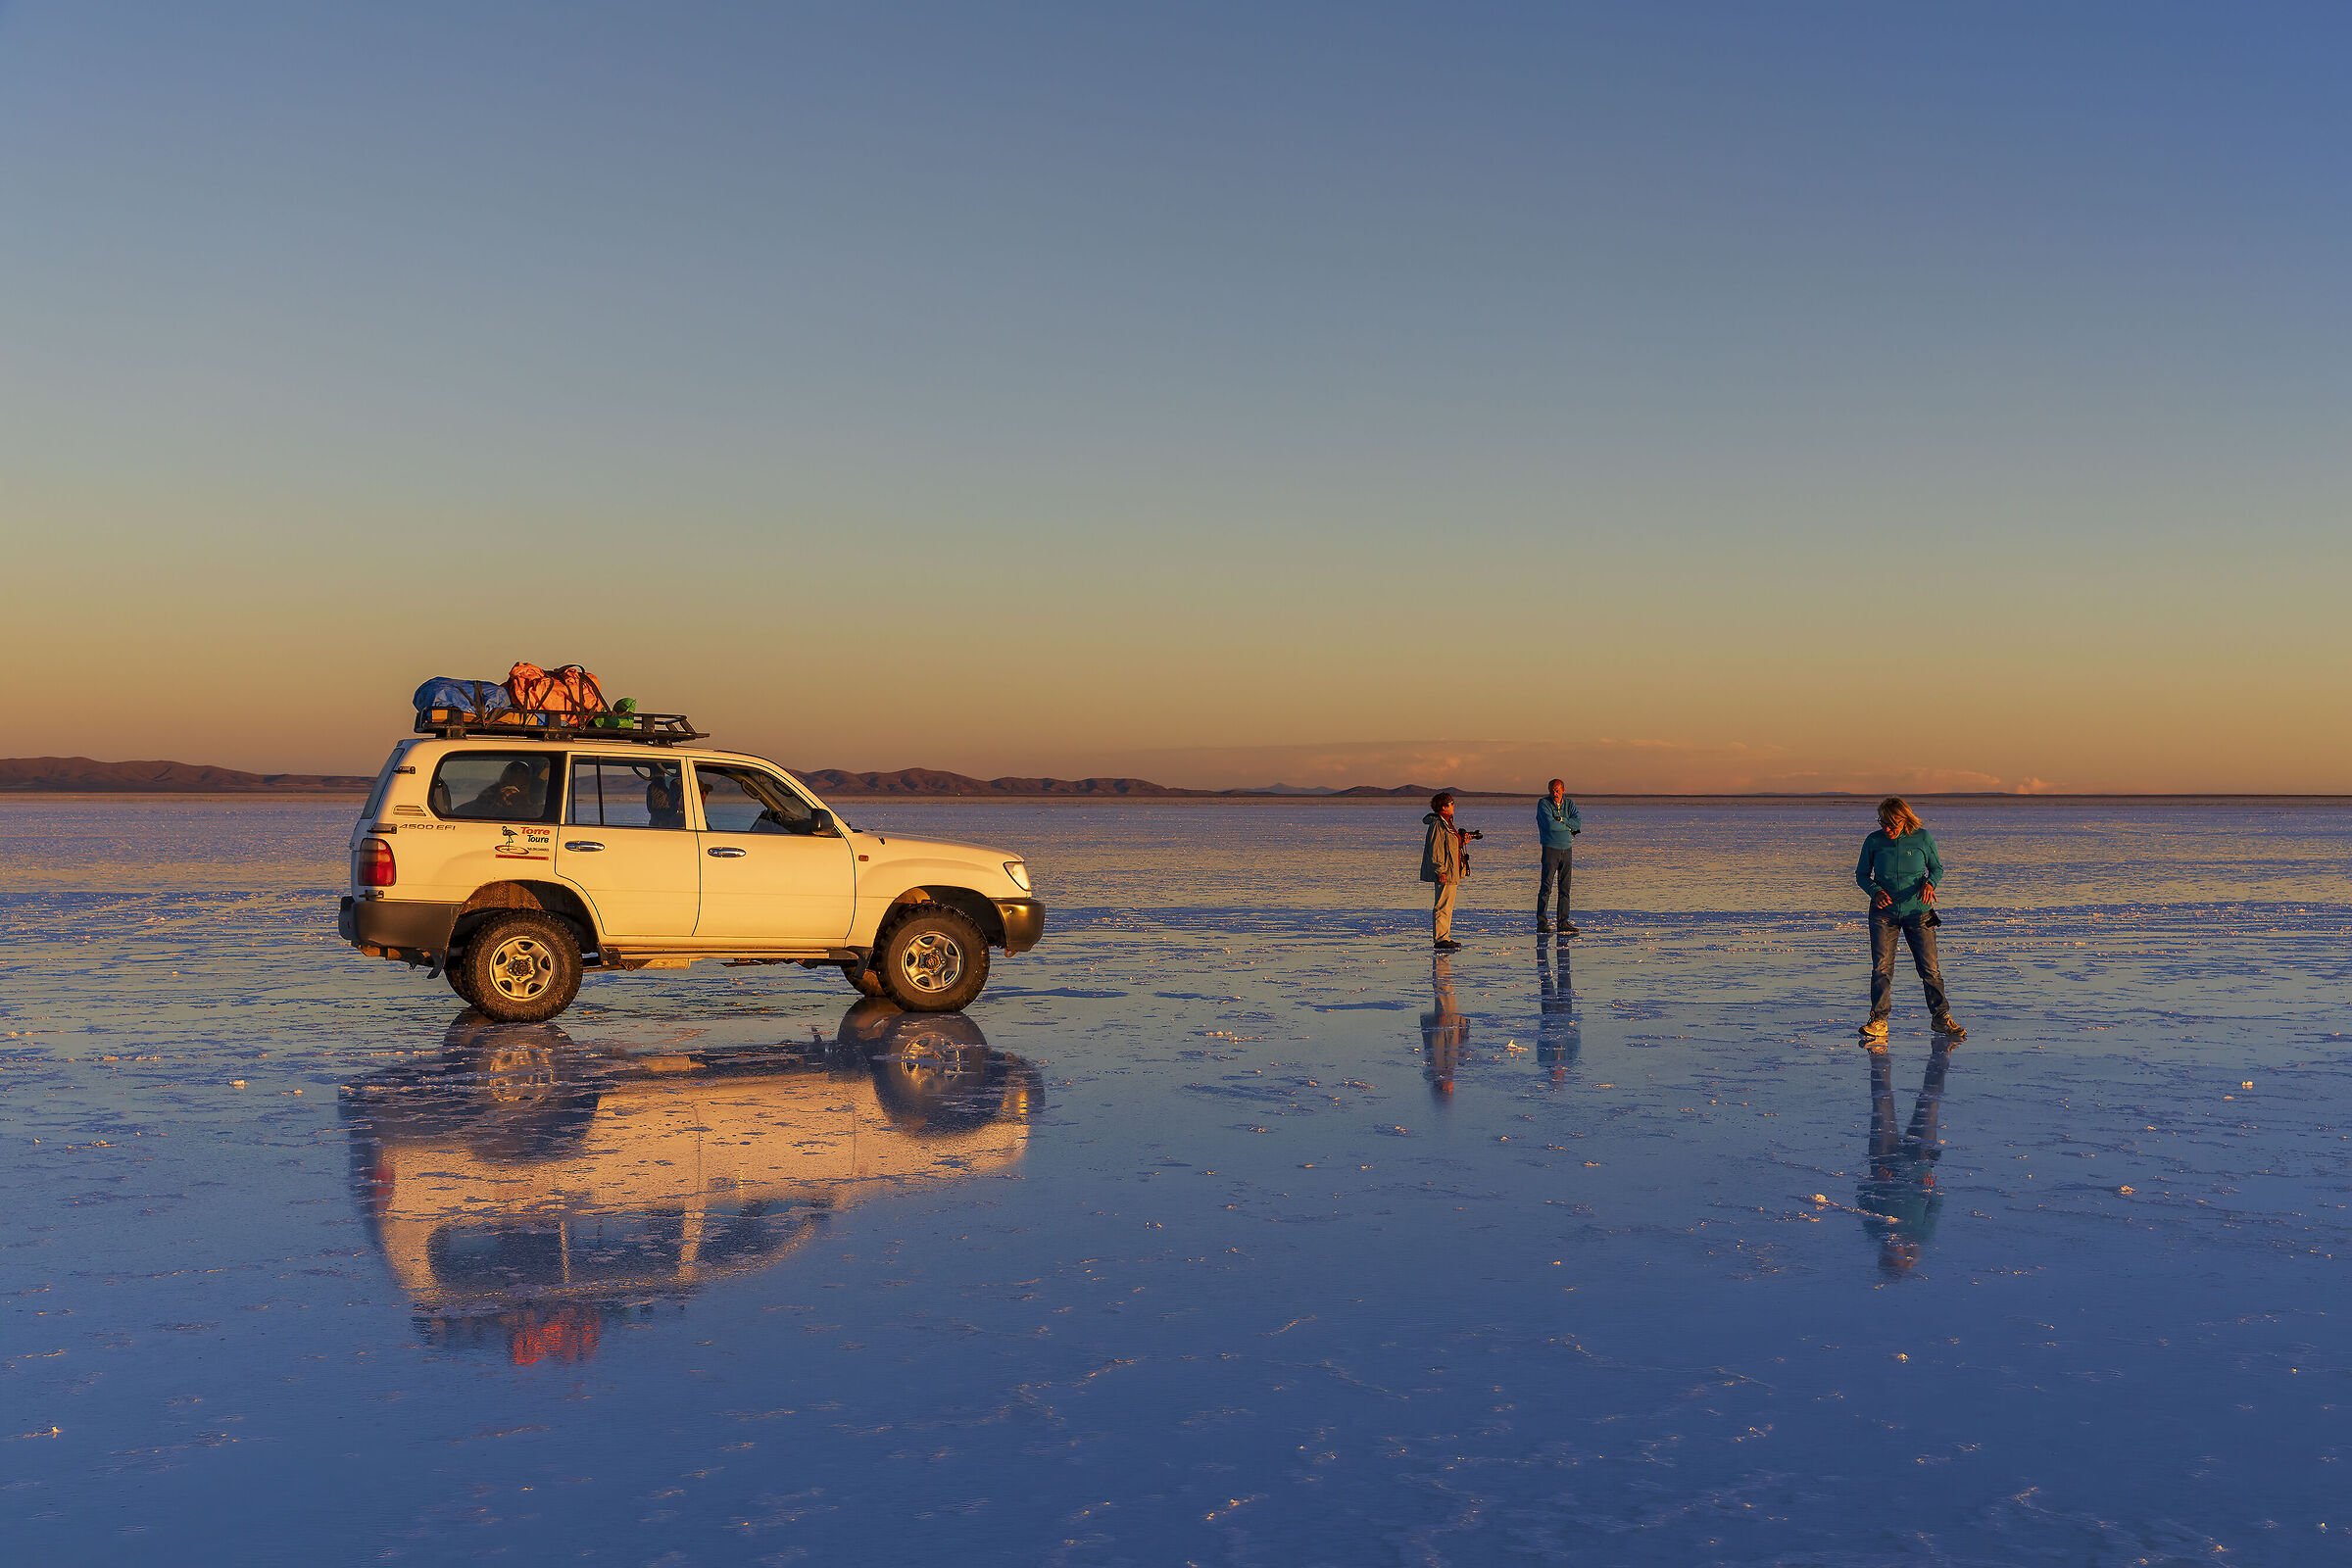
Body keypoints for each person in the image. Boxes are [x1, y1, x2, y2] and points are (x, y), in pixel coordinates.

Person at [1854, 796, 1965, 1042]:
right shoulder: (1874, 841)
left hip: (1919, 912)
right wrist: (1875, 891)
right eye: (1883, 823)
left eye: (1893, 823)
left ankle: (1940, 1018)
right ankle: (1879, 1020)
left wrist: (1930, 883)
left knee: (1930, 970)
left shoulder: (1922, 838)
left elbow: (1936, 868)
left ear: (1906, 820)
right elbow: (1862, 875)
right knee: (1881, 968)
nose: (1888, 829)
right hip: (1883, 914)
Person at [1855, 1044, 1954, 1277]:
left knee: (1882, 1102)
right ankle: (1942, 1053)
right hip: (1919, 1160)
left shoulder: (1875, 1230)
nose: (1897, 1250)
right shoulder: (1923, 1234)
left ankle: (1878, 1053)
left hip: (1884, 1158)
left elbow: (1861, 1198)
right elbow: (1936, 1204)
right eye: (1903, 1256)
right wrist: (1930, 1188)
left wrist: (1875, 1180)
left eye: (1892, 1255)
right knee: (1929, 1102)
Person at [1419, 792, 1478, 951]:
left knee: (1447, 905)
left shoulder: (1446, 823)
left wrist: (1461, 840)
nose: (1454, 805)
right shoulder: (1438, 824)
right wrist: (1440, 870)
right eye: (1451, 803)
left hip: (1451, 870)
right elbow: (1435, 848)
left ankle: (1444, 936)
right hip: (1445, 871)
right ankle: (1440, 939)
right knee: (1442, 904)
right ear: (1444, 806)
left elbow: (1449, 844)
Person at [1535, 778, 1582, 937]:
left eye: (1557, 790)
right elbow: (1550, 825)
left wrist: (1562, 820)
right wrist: (1567, 827)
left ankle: (1563, 922)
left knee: (1565, 888)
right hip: (1550, 849)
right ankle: (1542, 923)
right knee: (1546, 887)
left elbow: (1577, 824)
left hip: (1566, 850)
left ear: (1563, 790)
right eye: (1552, 790)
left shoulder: (1569, 804)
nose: (1555, 793)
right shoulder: (1543, 804)